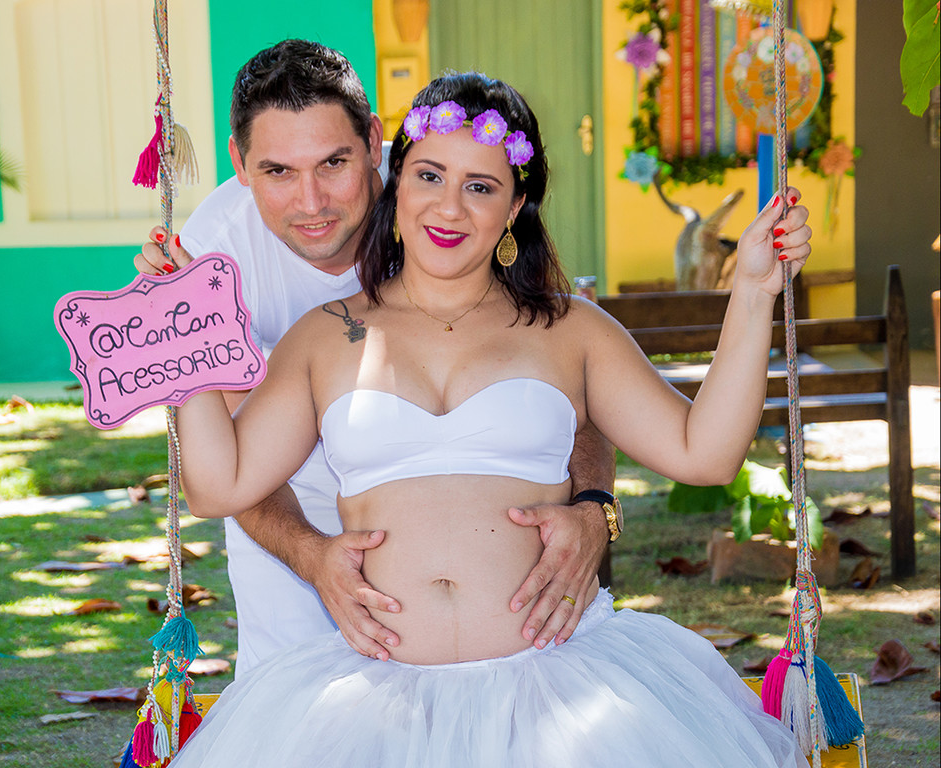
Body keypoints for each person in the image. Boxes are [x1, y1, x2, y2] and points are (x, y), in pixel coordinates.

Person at [166, 71, 812, 766]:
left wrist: (753, 293)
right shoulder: (325, 336)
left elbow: (705, 453)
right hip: (379, 706)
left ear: (514, 206)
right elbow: (218, 485)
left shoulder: (571, 330)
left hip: (557, 694)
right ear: (397, 183)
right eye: (429, 176)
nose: (448, 208)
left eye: (480, 186)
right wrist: (184, 332)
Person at [136, 40, 617, 675]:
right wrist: (311, 556)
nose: (311, 201)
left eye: (333, 163)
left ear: (373, 142)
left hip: (486, 536)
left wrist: (594, 509)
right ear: (240, 163)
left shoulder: (444, 188)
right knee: (298, 703)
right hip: (284, 515)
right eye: (278, 171)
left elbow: (562, 379)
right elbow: (229, 466)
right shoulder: (211, 257)